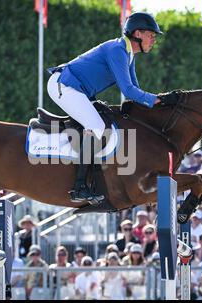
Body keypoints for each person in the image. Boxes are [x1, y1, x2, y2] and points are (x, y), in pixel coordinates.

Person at [47, 12, 164, 202]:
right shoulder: (117, 50)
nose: (154, 40)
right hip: (64, 85)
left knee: (105, 121)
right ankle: (79, 187)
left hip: (75, 88)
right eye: (151, 35)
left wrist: (154, 104)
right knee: (97, 127)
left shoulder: (128, 55)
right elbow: (128, 90)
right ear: (138, 33)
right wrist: (158, 100)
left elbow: (135, 91)